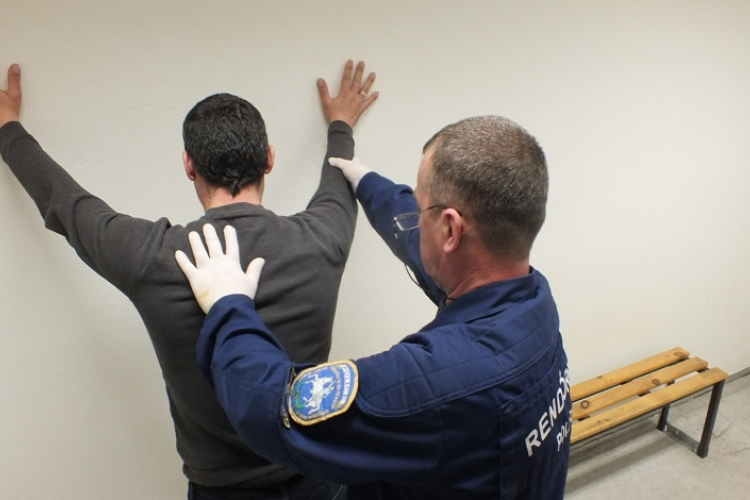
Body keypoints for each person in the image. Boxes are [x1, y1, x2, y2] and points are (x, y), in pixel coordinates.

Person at [0, 60, 378, 499]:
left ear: (188, 165)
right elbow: (339, 181)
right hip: (317, 480)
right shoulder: (321, 240)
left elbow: (66, 203)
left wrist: (8, 127)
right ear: (269, 159)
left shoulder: (154, 259)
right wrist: (339, 125)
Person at [175, 115, 571, 499]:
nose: (415, 218)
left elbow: (273, 407)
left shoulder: (437, 382)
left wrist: (229, 304)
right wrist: (365, 181)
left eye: (420, 207)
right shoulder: (534, 304)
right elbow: (421, 243)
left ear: (450, 229)